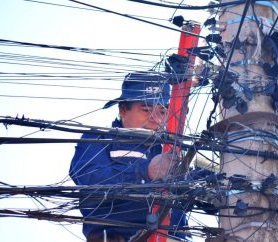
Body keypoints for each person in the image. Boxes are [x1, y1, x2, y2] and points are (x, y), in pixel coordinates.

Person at [69, 71, 189, 242]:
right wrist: (145, 171)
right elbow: (90, 177)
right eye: (147, 110)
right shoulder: (100, 138)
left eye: (162, 112)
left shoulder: (169, 149)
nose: (156, 119)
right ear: (123, 110)